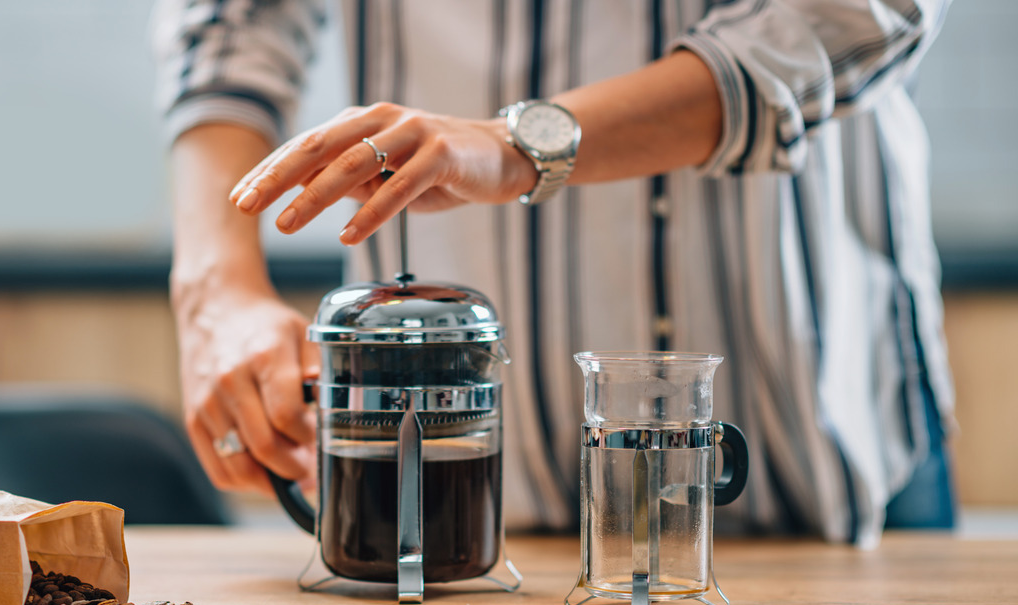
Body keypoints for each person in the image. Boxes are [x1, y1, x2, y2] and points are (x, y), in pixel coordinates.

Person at [151, 0, 957, 547]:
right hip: (454, 507)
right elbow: (231, 28)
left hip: (826, 453)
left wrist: (523, 144)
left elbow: (860, 14)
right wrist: (215, 291)